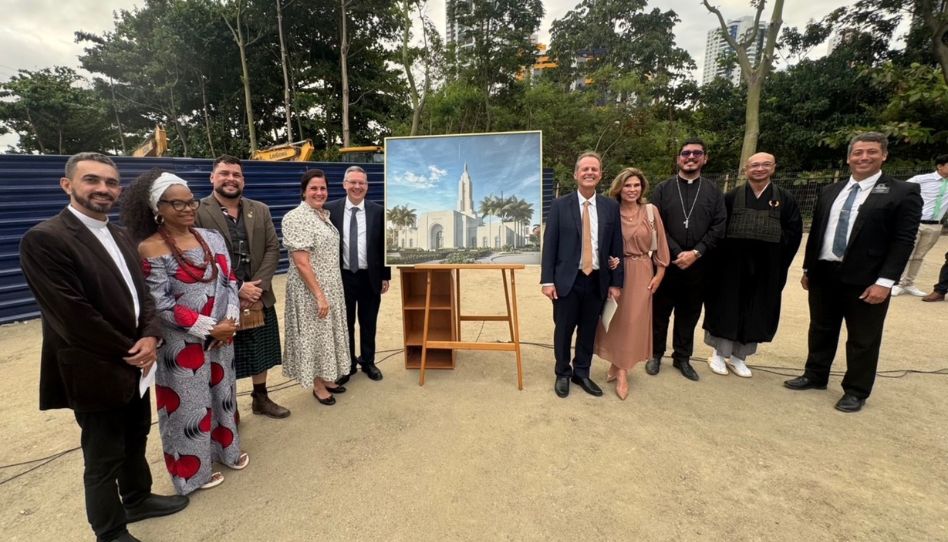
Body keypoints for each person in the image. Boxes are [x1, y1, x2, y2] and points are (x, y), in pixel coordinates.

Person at [19, 153, 188, 542]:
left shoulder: (121, 234)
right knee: (102, 456)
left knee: (135, 438)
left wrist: (150, 334)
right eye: (92, 180)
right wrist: (134, 348)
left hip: (136, 360)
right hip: (96, 367)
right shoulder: (46, 239)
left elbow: (143, 295)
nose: (103, 189)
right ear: (68, 186)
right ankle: (110, 531)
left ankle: (138, 498)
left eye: (111, 183)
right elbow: (72, 316)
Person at [122, 170, 249, 494]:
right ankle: (193, 474)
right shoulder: (149, 248)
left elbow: (229, 281)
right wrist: (208, 328)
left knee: (224, 396)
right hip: (182, 344)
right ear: (157, 208)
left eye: (190, 201)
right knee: (188, 407)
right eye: (176, 203)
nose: (187, 208)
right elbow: (158, 303)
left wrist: (231, 320)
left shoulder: (213, 238)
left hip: (223, 337)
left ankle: (227, 451)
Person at [785, 132, 922, 412]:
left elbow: (904, 240)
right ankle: (815, 374)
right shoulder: (831, 191)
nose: (864, 157)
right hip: (824, 273)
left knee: (863, 337)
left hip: (867, 279)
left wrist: (885, 281)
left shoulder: (902, 192)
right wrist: (809, 268)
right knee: (821, 328)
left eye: (871, 152)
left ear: (884, 155)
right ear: (849, 158)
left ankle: (856, 390)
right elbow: (818, 233)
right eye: (858, 152)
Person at [195, 155, 290, 419]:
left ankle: (261, 397)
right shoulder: (198, 211)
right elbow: (199, 255)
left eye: (236, 174)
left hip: (258, 295)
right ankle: (228, 409)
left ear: (243, 180)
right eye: (224, 173)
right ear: (212, 178)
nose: (230, 179)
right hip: (220, 299)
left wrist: (257, 287)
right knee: (225, 355)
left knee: (261, 350)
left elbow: (273, 247)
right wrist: (237, 288)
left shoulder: (259, 209)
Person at [702, 153, 803, 377]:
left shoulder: (785, 199)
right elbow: (717, 229)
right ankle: (718, 354)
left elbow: (794, 233)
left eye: (765, 165)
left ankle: (740, 357)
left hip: (767, 268)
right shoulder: (731, 197)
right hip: (730, 267)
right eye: (754, 165)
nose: (759, 169)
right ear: (746, 169)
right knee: (724, 307)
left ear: (774, 168)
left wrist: (778, 262)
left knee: (757, 309)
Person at [541, 151, 624, 398]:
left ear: (600, 175)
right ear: (576, 174)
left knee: (588, 330)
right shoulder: (559, 205)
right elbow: (550, 245)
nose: (589, 173)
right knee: (563, 329)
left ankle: (582, 373)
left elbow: (616, 246)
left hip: (598, 280)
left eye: (594, 169)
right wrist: (547, 280)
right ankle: (562, 373)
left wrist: (616, 281)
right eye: (584, 169)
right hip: (567, 280)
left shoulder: (610, 207)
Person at [646, 138, 727, 381]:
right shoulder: (662, 189)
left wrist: (696, 252)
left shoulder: (713, 191)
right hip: (666, 263)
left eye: (696, 153)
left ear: (705, 158)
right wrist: (675, 250)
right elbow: (654, 223)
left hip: (699, 266)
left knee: (689, 314)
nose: (690, 157)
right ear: (678, 158)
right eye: (685, 153)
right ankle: (655, 354)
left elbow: (719, 225)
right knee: (660, 313)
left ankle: (682, 357)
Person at [593, 168, 670, 399]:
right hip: (616, 271)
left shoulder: (650, 211)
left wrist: (660, 273)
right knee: (615, 320)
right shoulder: (610, 211)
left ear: (642, 188)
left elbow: (661, 244)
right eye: (627, 185)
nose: (632, 189)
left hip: (642, 270)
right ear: (619, 187)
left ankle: (623, 371)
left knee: (633, 321)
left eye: (636, 185)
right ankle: (618, 364)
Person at [281, 169, 351, 405]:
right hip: (310, 289)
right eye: (314, 188)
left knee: (326, 334)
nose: (319, 193)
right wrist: (319, 295)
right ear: (303, 191)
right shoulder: (296, 217)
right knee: (314, 336)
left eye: (322, 188)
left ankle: (326, 376)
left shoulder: (323, 215)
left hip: (331, 285)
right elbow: (301, 263)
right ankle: (317, 385)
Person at [325, 165, 391, 384]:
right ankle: (348, 364)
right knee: (345, 323)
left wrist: (385, 275)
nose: (357, 186)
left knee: (368, 321)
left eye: (361, 182)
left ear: (367, 186)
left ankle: (368, 361)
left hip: (369, 276)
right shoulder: (329, 210)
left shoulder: (378, 211)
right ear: (344, 184)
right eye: (352, 182)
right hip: (341, 277)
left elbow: (384, 245)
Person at [891, 154, 948, 297]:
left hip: (935, 226)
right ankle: (898, 283)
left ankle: (909, 283)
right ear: (940, 166)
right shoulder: (921, 179)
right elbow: (900, 192)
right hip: (916, 222)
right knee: (907, 253)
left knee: (919, 256)